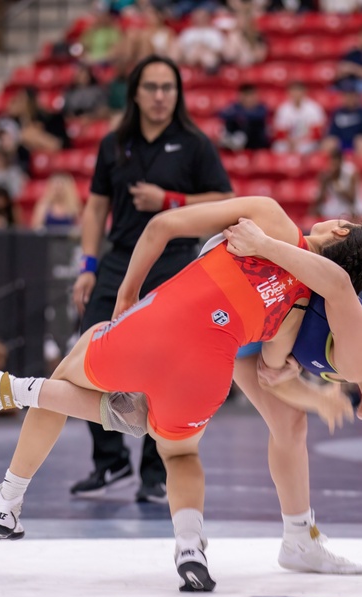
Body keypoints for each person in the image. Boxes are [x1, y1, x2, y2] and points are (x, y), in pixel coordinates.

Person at [0, 196, 362, 589]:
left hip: (235, 328)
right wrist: (307, 388)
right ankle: (197, 544)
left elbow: (274, 362)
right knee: (176, 442)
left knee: (281, 423)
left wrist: (308, 393)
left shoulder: (306, 289)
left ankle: (9, 490)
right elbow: (324, 296)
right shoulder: (354, 346)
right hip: (234, 334)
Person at [70, 55, 234, 504]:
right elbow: (96, 208)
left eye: (168, 88)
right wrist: (87, 266)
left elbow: (225, 199)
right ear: (136, 93)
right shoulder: (113, 144)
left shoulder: (195, 144)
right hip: (119, 259)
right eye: (152, 87)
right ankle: (110, 460)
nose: (161, 96)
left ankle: (153, 472)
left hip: (175, 262)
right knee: (88, 352)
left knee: (163, 367)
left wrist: (170, 199)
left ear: (177, 94)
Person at [312, 148, 362, 219]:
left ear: (341, 162)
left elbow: (352, 200)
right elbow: (320, 199)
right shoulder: (327, 174)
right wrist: (324, 184)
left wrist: (338, 185)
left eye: (336, 164)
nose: (334, 167)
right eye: (332, 164)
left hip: (353, 206)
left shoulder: (351, 173)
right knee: (316, 211)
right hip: (336, 206)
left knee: (352, 213)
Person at [272, 81, 325, 155]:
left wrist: (300, 141)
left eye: (298, 91)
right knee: (278, 147)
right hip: (289, 141)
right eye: (293, 91)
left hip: (307, 141)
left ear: (304, 92)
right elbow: (280, 131)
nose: (296, 94)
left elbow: (317, 132)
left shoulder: (314, 108)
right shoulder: (283, 108)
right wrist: (290, 141)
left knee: (305, 149)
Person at [324, 83, 362, 157]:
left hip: (357, 143)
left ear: (357, 97)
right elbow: (331, 132)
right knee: (329, 142)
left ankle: (359, 166)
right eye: (347, 95)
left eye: (352, 96)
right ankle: (330, 167)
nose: (350, 98)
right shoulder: (337, 112)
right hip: (341, 142)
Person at [218, 83, 270, 151]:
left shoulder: (261, 108)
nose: (249, 99)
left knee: (251, 124)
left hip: (256, 143)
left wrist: (240, 115)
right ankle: (231, 140)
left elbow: (259, 116)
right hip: (237, 138)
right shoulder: (235, 107)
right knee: (230, 123)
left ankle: (237, 140)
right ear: (241, 97)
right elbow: (222, 115)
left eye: (251, 95)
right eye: (246, 95)